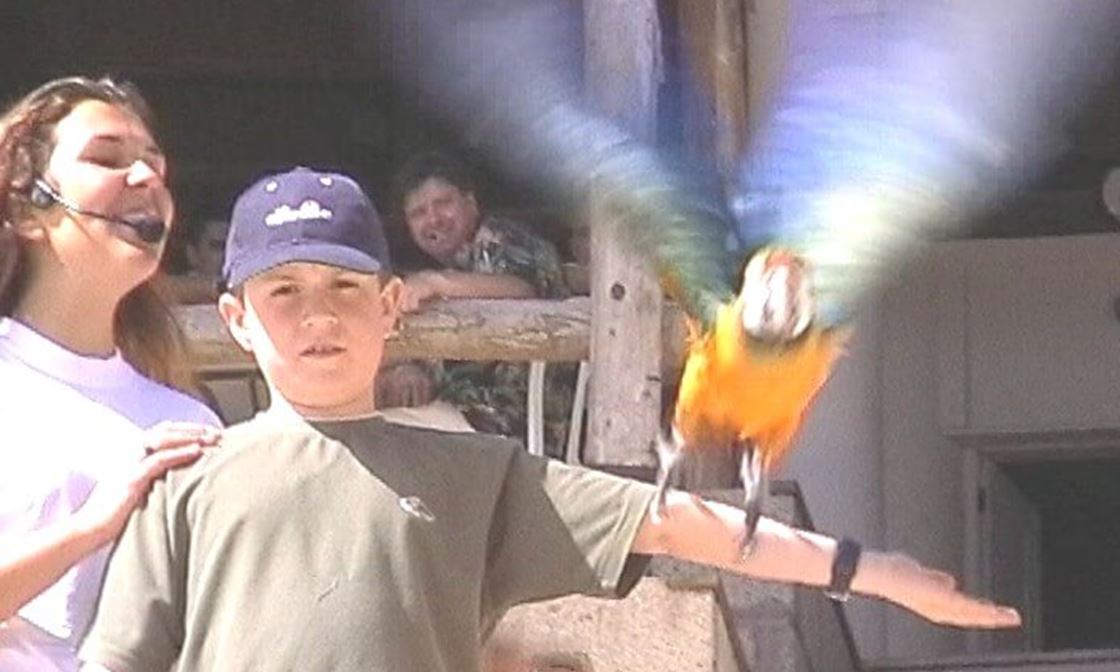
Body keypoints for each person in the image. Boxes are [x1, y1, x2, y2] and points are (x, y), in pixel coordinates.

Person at [80, 166, 1018, 672]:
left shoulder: (474, 471)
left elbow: (667, 519)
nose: (317, 314)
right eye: (283, 291)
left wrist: (864, 569)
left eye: (342, 285)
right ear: (236, 317)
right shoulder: (185, 482)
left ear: (393, 303)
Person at [0, 76, 221, 671]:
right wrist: (93, 526)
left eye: (156, 165)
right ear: (26, 206)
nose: (148, 180)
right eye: (107, 158)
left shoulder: (188, 422)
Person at [378, 151, 574, 453]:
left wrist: (437, 283)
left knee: (378, 438)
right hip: (470, 421)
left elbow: (520, 292)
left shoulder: (499, 236)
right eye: (418, 213)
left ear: (471, 203)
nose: (433, 219)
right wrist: (407, 365)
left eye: (443, 203)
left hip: (518, 423)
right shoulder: (459, 267)